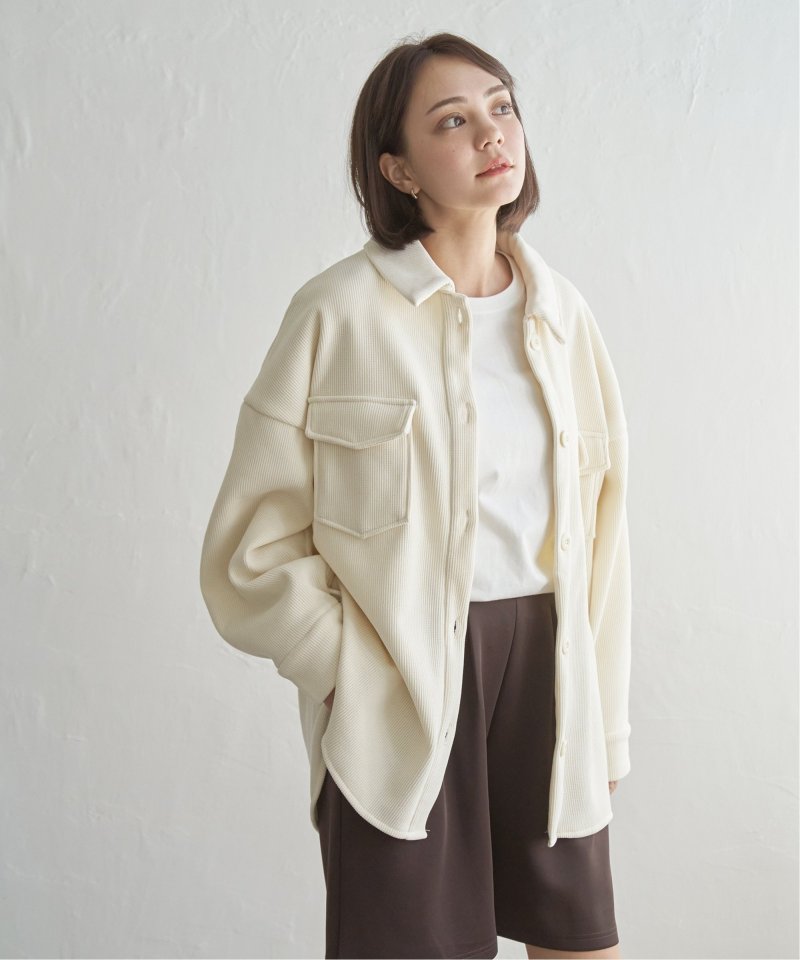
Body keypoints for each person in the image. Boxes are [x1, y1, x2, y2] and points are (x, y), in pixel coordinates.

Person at [199, 31, 631, 960]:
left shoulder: (564, 317)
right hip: (403, 690)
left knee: (581, 944)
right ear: (396, 169)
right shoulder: (337, 313)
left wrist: (606, 722)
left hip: (552, 676)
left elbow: (604, 537)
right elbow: (249, 549)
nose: (491, 133)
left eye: (501, 107)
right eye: (452, 121)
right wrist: (350, 673)